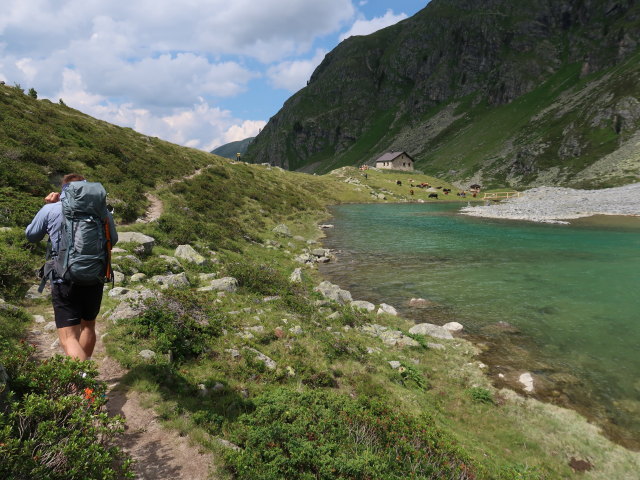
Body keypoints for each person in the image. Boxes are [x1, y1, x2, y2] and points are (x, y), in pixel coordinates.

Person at [26, 174, 118, 361]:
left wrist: (47, 206)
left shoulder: (51, 208)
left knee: (68, 338)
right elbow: (113, 240)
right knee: (88, 326)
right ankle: (83, 382)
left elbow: (31, 235)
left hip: (63, 278)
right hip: (94, 275)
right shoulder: (103, 212)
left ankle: (85, 386)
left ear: (64, 189)